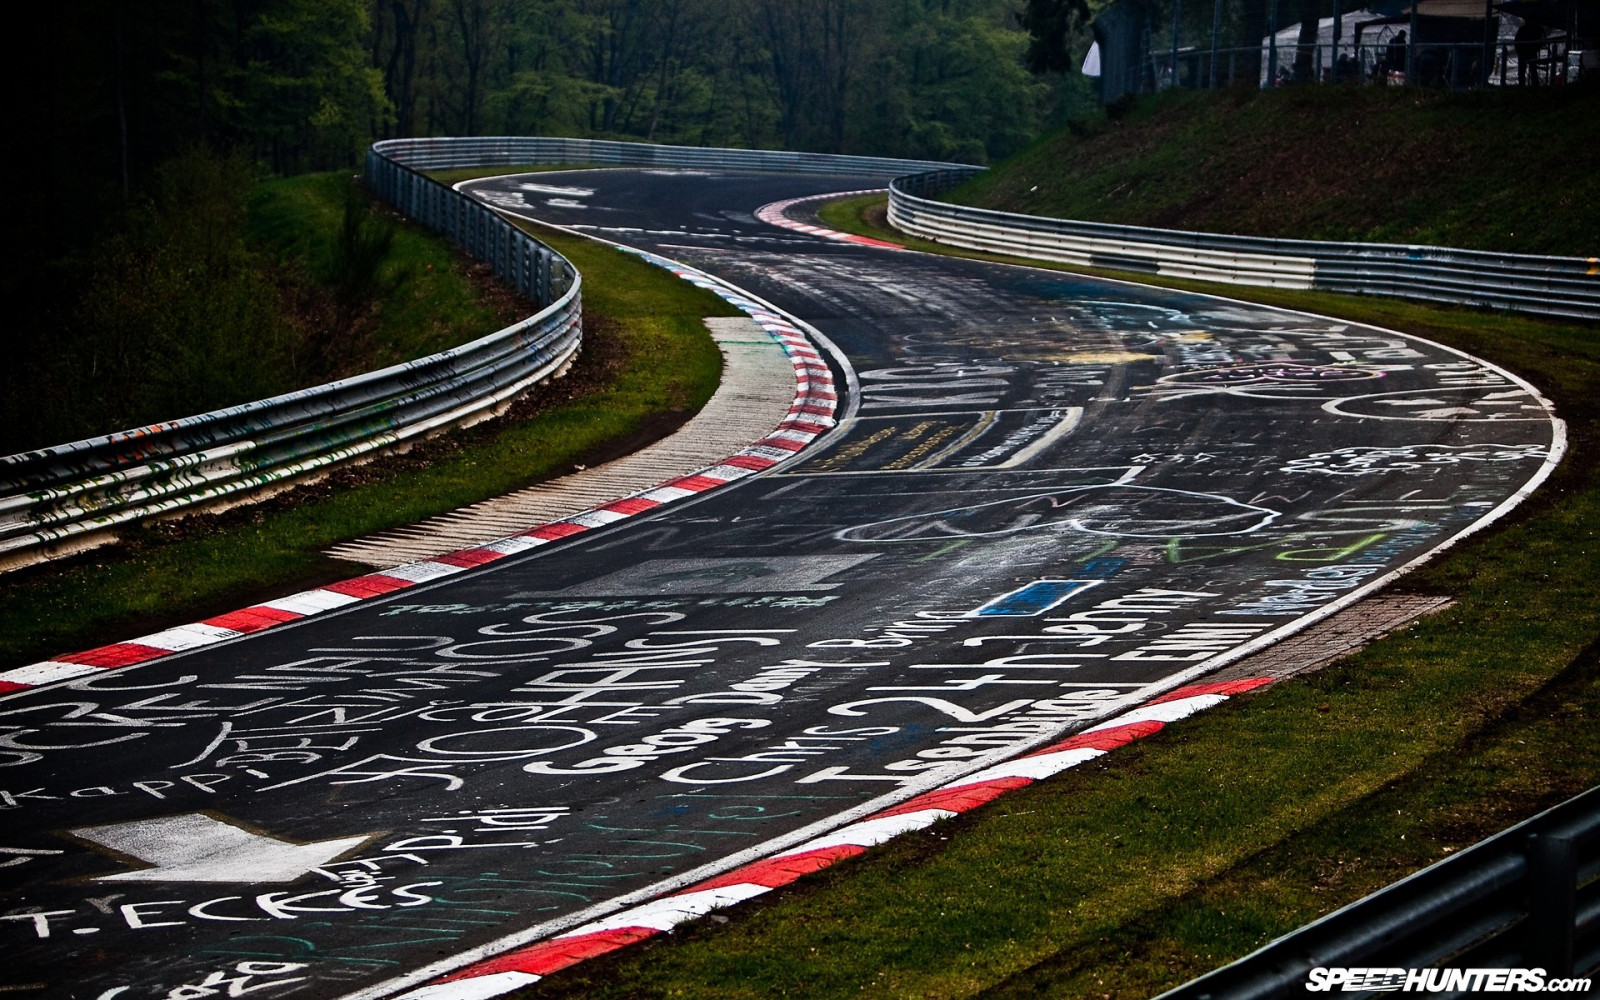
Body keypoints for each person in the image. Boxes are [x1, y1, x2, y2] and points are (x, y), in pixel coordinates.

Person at [1516, 19, 1543, 85]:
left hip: (1527, 52)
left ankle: (1525, 85)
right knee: (1530, 69)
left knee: (1528, 70)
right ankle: (1533, 85)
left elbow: (1516, 41)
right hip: (1527, 52)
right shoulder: (1534, 29)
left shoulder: (1524, 29)